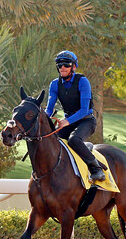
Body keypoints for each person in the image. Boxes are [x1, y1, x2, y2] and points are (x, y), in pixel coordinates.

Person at [45, 50, 105, 182]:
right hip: (70, 122)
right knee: (51, 140)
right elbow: (49, 109)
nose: (62, 68)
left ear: (74, 67)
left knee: (73, 140)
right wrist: (42, 118)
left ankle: (96, 169)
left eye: (66, 65)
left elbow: (84, 110)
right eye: (59, 65)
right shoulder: (54, 84)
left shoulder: (83, 81)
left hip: (87, 121)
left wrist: (67, 121)